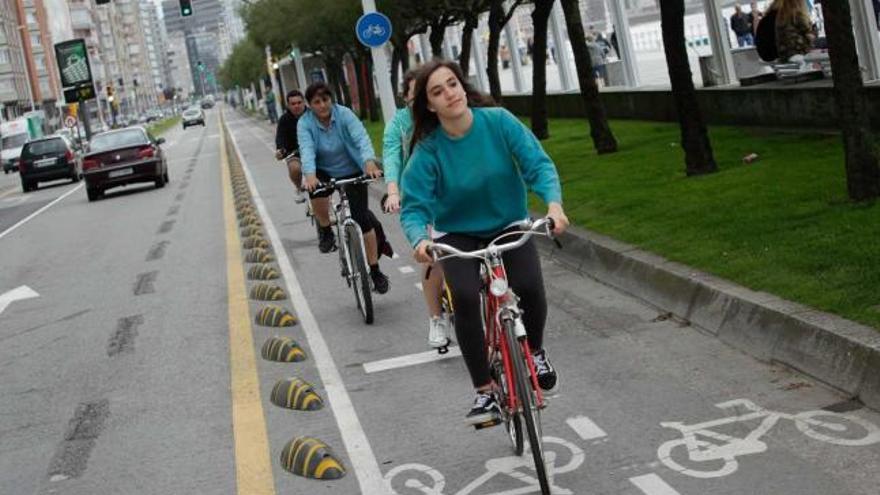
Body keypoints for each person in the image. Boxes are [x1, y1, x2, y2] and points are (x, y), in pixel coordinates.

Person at [400, 60, 569, 425]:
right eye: (437, 91)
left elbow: (537, 166)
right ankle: (485, 392)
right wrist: (419, 241)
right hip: (456, 233)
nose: (449, 94)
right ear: (429, 105)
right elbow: (414, 208)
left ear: (463, 86)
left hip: (507, 221)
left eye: (453, 84)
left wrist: (553, 206)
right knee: (462, 295)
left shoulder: (498, 122)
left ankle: (535, 352)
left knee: (527, 285)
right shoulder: (428, 151)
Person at [297, 82, 390, 293]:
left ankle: (375, 270)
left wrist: (368, 162)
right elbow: (307, 149)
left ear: (332, 99)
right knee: (316, 192)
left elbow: (361, 137)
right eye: (317, 102)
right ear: (309, 105)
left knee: (363, 220)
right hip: (322, 171)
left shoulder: (344, 114)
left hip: (352, 168)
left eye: (326, 100)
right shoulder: (305, 123)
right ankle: (325, 228)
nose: (322, 105)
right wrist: (310, 175)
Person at [383, 70, 452, 350]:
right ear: (406, 97)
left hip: (452, 195)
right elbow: (391, 155)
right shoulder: (398, 125)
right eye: (416, 95)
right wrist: (393, 192)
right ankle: (436, 319)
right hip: (419, 200)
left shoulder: (443, 119)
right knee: (430, 257)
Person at [274, 90, 307, 204]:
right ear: (288, 105)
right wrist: (280, 150)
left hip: (315, 151)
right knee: (294, 168)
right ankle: (299, 188)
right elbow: (280, 138)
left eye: (299, 102)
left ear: (304, 102)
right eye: (293, 104)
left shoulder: (312, 115)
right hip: (295, 153)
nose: (296, 106)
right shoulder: (284, 120)